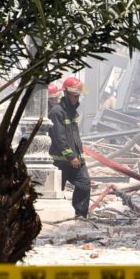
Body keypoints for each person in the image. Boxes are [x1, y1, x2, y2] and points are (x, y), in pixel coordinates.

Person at [48, 76, 91, 217]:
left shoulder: (71, 112)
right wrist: (71, 156)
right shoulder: (57, 112)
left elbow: (73, 136)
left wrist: (79, 155)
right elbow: (59, 137)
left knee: (84, 183)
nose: (76, 99)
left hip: (76, 160)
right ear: (65, 94)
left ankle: (80, 215)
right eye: (74, 96)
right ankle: (54, 217)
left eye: (78, 96)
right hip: (61, 161)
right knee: (57, 190)